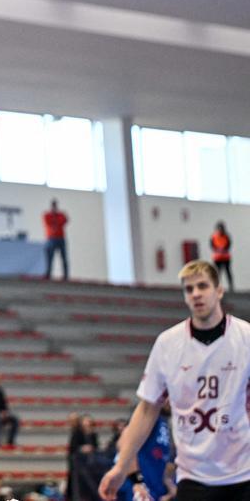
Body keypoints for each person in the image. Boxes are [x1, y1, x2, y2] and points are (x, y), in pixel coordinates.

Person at [98, 260, 250, 500]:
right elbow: (148, 408)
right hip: (194, 476)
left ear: (219, 290)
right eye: (189, 289)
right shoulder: (168, 344)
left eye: (203, 286)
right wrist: (121, 467)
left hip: (244, 473)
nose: (196, 294)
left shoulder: (245, 337)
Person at [43, 199, 69, 281]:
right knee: (50, 258)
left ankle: (65, 276)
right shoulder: (47, 215)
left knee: (64, 257)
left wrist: (56, 220)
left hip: (61, 238)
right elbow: (49, 223)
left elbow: (65, 220)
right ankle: (48, 274)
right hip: (51, 238)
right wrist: (56, 220)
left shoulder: (61, 214)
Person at [210, 222, 233, 291]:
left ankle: (231, 287)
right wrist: (218, 249)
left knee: (227, 271)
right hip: (217, 257)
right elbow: (212, 245)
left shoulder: (227, 236)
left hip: (226, 257)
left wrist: (223, 249)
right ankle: (216, 286)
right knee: (217, 272)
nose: (220, 230)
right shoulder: (214, 237)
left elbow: (228, 245)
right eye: (219, 228)